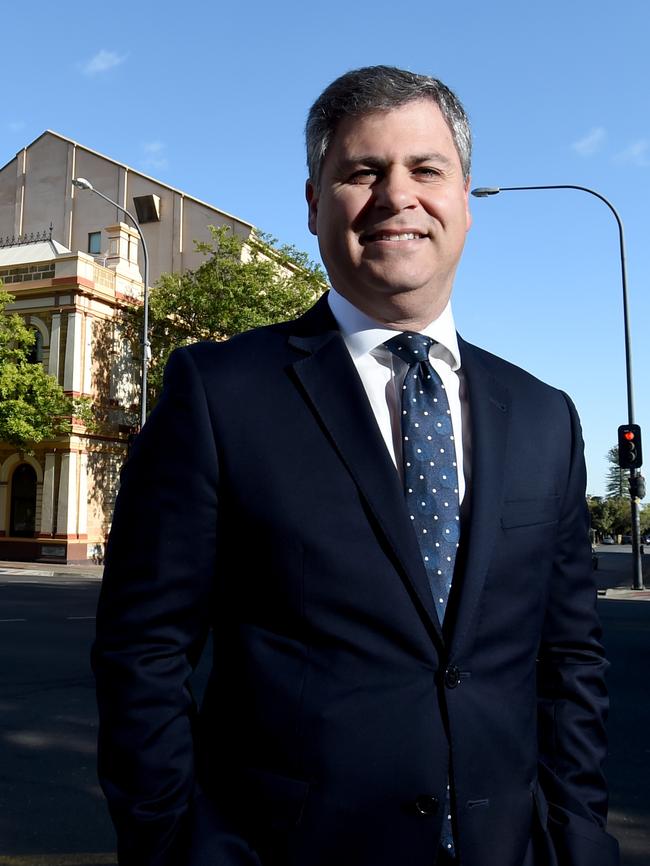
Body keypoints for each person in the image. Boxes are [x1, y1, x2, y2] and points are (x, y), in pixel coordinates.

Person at [92, 65, 619, 866]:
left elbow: (570, 660)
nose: (395, 195)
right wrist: (174, 846)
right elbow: (143, 649)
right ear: (313, 204)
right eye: (362, 171)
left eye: (426, 169)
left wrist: (579, 839)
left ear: (465, 202)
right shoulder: (219, 394)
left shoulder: (546, 416)